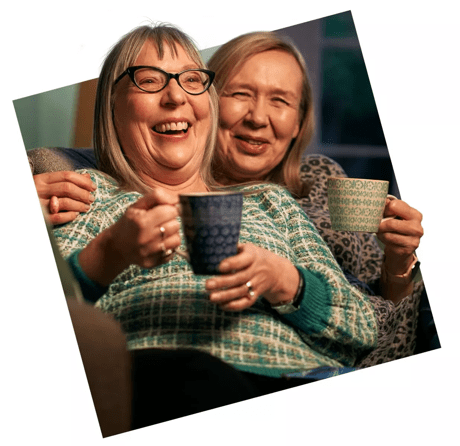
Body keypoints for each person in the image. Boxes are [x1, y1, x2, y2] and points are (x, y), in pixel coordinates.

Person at [47, 23, 378, 427]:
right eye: (149, 81)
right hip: (173, 379)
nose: (175, 96)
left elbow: (362, 325)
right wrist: (111, 251)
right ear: (112, 106)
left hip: (305, 379)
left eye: (191, 80)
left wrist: (286, 281)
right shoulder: (87, 196)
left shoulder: (270, 201)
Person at [206, 31, 426, 367]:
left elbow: (388, 316)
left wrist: (398, 259)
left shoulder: (322, 178)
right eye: (240, 94)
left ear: (298, 122)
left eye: (280, 101)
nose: (257, 117)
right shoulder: (186, 200)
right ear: (207, 101)